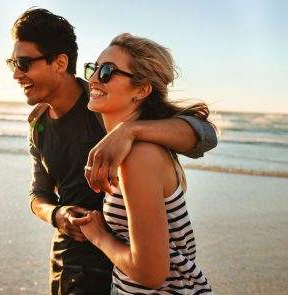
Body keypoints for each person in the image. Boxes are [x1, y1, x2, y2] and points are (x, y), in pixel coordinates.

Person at [7, 7, 217, 295]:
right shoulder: (38, 125)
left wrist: (130, 131)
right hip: (71, 263)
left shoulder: (106, 106)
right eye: (13, 63)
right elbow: (38, 193)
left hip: (116, 269)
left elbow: (204, 135)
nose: (16, 73)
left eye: (24, 62)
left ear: (59, 63)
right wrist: (57, 214)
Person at [79, 33, 214, 294]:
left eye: (106, 71)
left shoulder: (138, 156)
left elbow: (150, 274)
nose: (94, 78)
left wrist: (99, 237)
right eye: (93, 69)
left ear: (141, 90)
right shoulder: (133, 147)